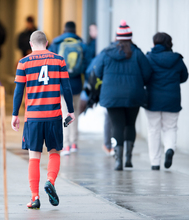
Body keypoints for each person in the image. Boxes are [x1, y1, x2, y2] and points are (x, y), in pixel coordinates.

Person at [11, 31, 75, 209]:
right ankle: (50, 181)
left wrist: (15, 114)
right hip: (54, 115)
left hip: (33, 117)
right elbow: (67, 88)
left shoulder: (23, 62)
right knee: (54, 152)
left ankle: (35, 197)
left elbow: (18, 91)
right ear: (46, 43)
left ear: (31, 44)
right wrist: (70, 111)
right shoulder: (59, 60)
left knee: (34, 157)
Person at [94, 20, 152, 170]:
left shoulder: (106, 53)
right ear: (130, 37)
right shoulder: (137, 53)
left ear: (117, 37)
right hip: (133, 94)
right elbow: (147, 74)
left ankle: (118, 160)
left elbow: (98, 72)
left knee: (117, 126)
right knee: (130, 125)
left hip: (112, 95)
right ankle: (128, 158)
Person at [144, 32, 188, 170]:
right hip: (172, 99)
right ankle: (169, 149)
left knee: (153, 130)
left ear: (154, 44)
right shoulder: (177, 59)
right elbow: (184, 77)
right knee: (170, 128)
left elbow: (144, 76)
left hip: (152, 100)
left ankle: (155, 163)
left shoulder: (148, 58)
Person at [48, 21, 90, 155]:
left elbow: (50, 65)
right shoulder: (82, 45)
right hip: (77, 83)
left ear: (64, 30)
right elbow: (88, 67)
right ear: (75, 30)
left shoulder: (56, 44)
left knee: (65, 113)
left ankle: (65, 144)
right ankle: (74, 143)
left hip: (61, 84)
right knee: (75, 112)